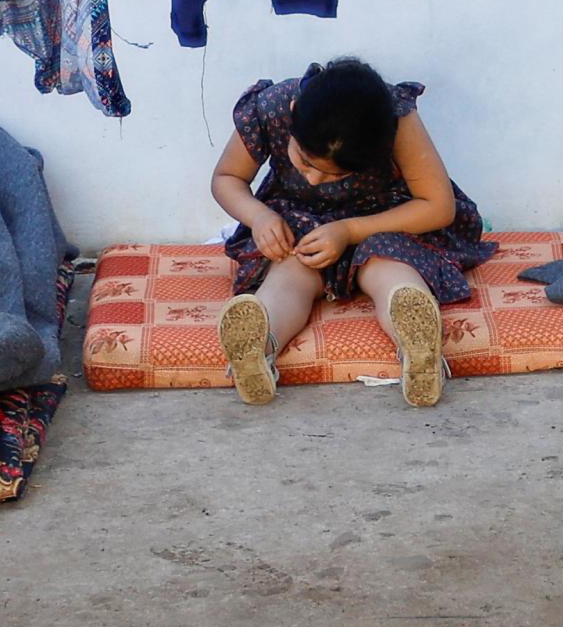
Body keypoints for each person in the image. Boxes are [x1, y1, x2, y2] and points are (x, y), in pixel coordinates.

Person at [209, 57, 494, 409]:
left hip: (382, 220)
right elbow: (227, 178)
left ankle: (418, 346)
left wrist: (350, 230)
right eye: (306, 162)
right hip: (299, 222)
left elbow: (437, 206)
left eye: (334, 176)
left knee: (387, 265)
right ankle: (259, 344)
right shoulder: (272, 106)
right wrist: (259, 217)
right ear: (294, 112)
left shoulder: (395, 118)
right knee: (291, 267)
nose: (313, 179)